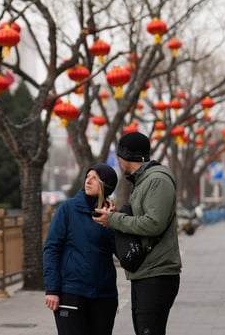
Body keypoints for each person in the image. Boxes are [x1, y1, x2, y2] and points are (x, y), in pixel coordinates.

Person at [93, 131, 181, 335]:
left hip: (157, 274)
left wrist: (113, 220)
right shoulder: (143, 181)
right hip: (147, 271)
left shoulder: (157, 180)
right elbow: (142, 217)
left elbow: (154, 224)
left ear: (125, 157)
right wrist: (117, 214)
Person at [44, 163, 119, 335]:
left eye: (95, 178)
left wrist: (113, 223)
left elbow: (120, 253)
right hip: (71, 291)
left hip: (104, 295)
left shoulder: (112, 215)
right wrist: (52, 289)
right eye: (87, 177)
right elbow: (51, 249)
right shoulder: (67, 209)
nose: (88, 181)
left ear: (106, 185)